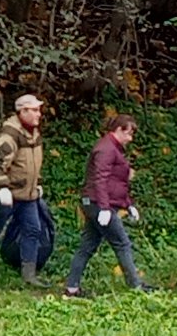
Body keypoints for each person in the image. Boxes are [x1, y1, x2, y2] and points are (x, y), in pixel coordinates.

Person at [0, 93, 52, 282]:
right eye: (35, 110)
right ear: (23, 111)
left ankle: (29, 275)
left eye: (39, 110)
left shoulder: (34, 133)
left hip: (27, 195)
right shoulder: (10, 135)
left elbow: (32, 163)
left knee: (33, 230)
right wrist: (2, 188)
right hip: (5, 194)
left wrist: (37, 183)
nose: (39, 114)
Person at [63, 111, 148, 296]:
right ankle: (135, 285)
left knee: (87, 246)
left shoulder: (113, 148)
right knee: (122, 243)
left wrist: (128, 204)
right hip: (97, 203)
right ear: (119, 130)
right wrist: (103, 207)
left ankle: (72, 287)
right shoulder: (106, 149)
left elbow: (116, 182)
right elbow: (100, 180)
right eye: (129, 133)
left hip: (100, 203)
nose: (131, 138)